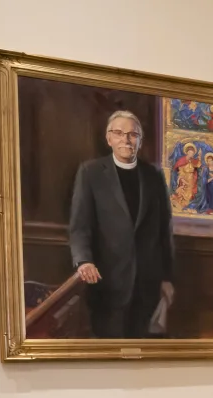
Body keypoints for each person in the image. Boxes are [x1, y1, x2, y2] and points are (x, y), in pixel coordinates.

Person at [69, 110, 174, 339]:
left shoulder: (153, 175)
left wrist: (167, 277)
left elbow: (164, 229)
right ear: (109, 138)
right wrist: (84, 260)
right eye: (119, 133)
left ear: (140, 140)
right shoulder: (91, 172)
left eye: (132, 134)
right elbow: (80, 226)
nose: (126, 140)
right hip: (107, 282)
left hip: (148, 284)